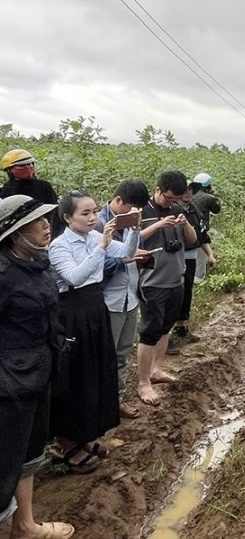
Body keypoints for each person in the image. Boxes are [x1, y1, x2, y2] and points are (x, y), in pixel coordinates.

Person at [0, 195, 76, 539]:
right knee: (4, 461)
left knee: (30, 453)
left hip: (39, 373)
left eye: (47, 218)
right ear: (16, 233)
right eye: (37, 221)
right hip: (8, 386)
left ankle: (25, 525)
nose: (48, 225)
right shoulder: (4, 275)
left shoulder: (41, 264)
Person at [49, 190, 141, 473]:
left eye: (94, 212)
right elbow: (74, 277)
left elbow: (126, 254)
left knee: (97, 372)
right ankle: (66, 443)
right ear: (68, 217)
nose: (92, 218)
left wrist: (134, 230)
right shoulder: (59, 246)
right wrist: (102, 245)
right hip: (73, 313)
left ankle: (85, 437)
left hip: (95, 308)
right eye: (85, 213)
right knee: (78, 376)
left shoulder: (93, 237)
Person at [135, 171, 198, 406]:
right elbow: (132, 241)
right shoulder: (141, 211)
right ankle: (143, 383)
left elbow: (192, 239)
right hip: (152, 282)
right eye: (169, 198)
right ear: (158, 190)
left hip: (176, 279)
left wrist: (184, 223)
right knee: (150, 331)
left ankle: (157, 370)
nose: (171, 203)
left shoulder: (177, 209)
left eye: (175, 200)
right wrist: (159, 225)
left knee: (165, 328)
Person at [97, 179, 151, 420]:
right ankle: (101, 405)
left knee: (122, 353)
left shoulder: (132, 222)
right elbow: (95, 266)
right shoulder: (99, 224)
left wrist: (142, 256)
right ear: (118, 200)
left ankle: (116, 401)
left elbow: (135, 249)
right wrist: (124, 260)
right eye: (131, 208)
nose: (134, 213)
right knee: (105, 356)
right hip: (109, 301)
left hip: (130, 297)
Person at [171, 180, 215, 347]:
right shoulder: (172, 210)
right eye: (185, 189)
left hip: (190, 256)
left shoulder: (193, 210)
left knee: (187, 292)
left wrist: (210, 255)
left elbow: (202, 235)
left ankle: (182, 327)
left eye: (191, 189)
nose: (188, 192)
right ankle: (165, 335)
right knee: (174, 294)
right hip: (174, 258)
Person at [0, 149, 62, 235]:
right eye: (22, 165)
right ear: (10, 170)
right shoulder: (4, 191)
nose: (28, 167)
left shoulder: (44, 186)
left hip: (47, 231)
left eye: (30, 164)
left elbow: (55, 213)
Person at [191, 172, 221, 282]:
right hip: (200, 232)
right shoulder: (209, 198)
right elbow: (216, 210)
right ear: (208, 185)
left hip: (187, 232)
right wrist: (214, 196)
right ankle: (198, 280)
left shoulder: (189, 196)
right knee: (200, 258)